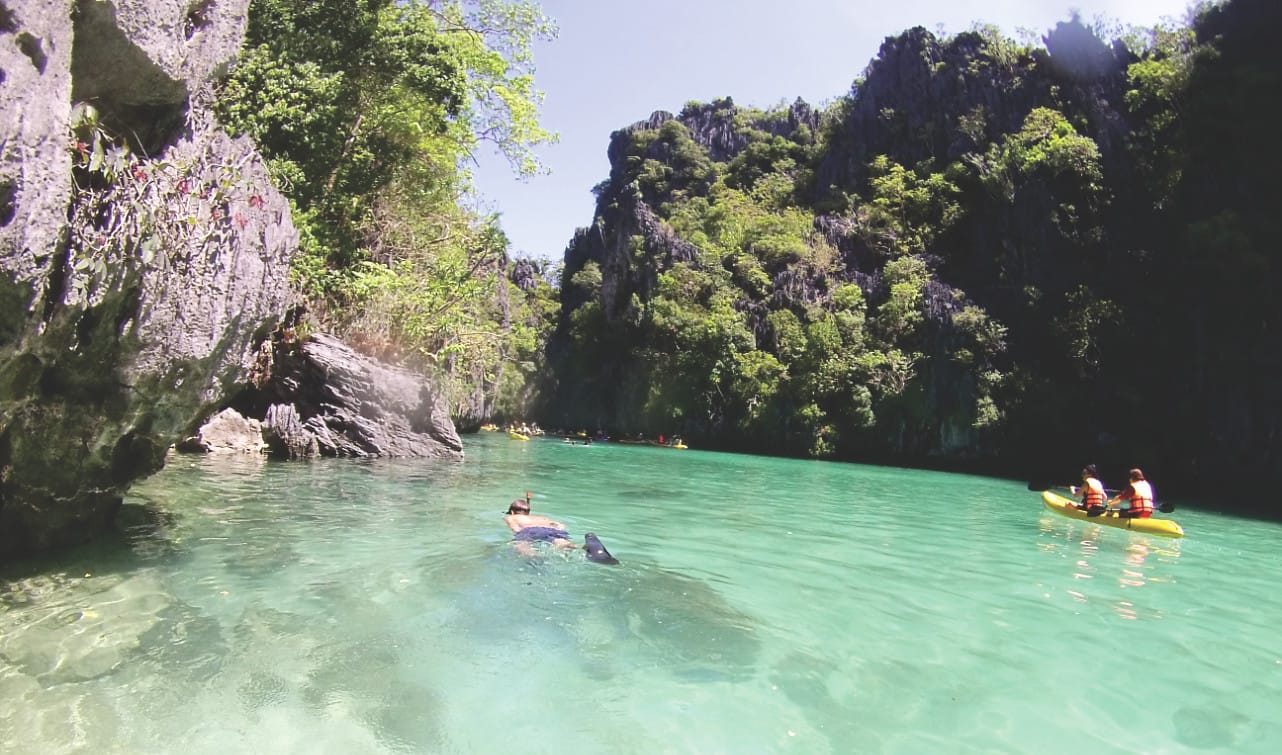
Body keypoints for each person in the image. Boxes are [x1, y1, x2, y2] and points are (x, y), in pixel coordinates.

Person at [503, 492, 618, 563]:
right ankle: (583, 548)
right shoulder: (541, 518)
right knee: (561, 543)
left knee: (521, 546)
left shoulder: (512, 517)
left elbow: (516, 530)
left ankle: (537, 558)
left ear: (512, 512)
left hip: (530, 531)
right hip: (553, 530)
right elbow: (560, 525)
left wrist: (522, 537)